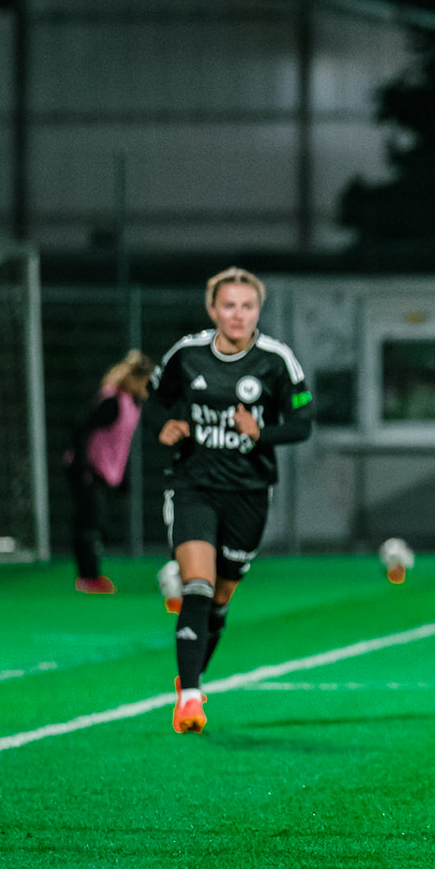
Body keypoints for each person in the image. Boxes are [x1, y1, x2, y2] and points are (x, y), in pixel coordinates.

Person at [145, 267, 314, 733]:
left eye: (247, 306)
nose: (237, 315)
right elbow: (155, 399)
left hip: (249, 493)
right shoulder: (187, 353)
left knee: (220, 598)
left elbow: (303, 423)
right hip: (193, 486)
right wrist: (167, 426)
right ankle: (192, 697)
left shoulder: (277, 360)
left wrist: (263, 433)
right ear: (212, 309)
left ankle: (191, 678)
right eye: (229, 306)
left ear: (258, 310)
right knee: (198, 586)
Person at [63, 350, 153, 594]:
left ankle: (91, 575)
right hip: (86, 469)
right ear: (135, 379)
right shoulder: (112, 403)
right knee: (89, 522)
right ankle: (88, 577)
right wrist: (83, 468)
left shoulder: (132, 404)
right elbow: (82, 430)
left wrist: (121, 478)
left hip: (103, 471)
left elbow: (118, 443)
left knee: (96, 522)